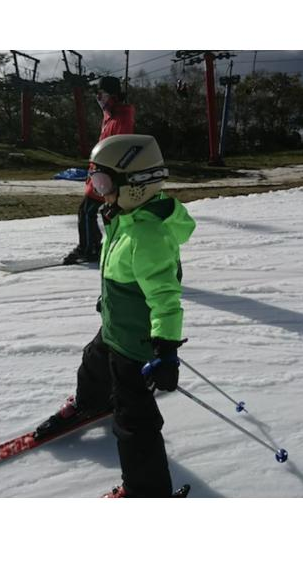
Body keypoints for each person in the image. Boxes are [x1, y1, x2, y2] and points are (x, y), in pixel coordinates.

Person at [38, 134, 196, 498]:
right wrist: (106, 300)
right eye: (94, 181)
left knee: (135, 423)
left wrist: (167, 349)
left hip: (136, 346)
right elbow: (119, 271)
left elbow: (165, 298)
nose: (98, 191)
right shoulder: (122, 217)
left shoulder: (147, 235)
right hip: (114, 327)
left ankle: (147, 490)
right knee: (92, 364)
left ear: (137, 185)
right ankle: (89, 404)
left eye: (104, 183)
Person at [63, 76, 136, 265]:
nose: (98, 98)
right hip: (99, 172)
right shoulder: (110, 114)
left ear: (111, 95)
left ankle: (88, 249)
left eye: (101, 94)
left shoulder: (121, 116)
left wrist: (107, 173)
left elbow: (119, 147)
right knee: (90, 211)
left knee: (86, 211)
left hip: (107, 174)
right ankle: (93, 245)